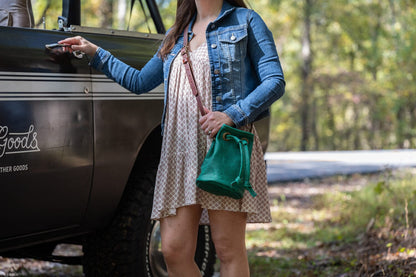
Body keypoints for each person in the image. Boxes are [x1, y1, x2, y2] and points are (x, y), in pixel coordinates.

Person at [60, 0, 285, 276]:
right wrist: (95, 53)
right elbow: (139, 81)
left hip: (222, 147)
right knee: (174, 251)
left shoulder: (246, 21)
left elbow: (274, 81)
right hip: (178, 152)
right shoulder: (177, 33)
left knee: (228, 250)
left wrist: (232, 114)